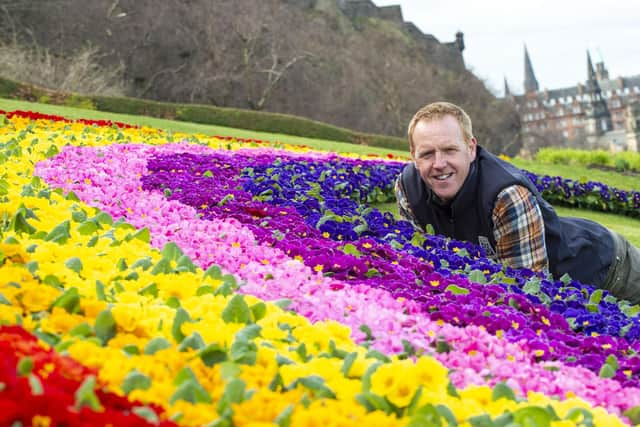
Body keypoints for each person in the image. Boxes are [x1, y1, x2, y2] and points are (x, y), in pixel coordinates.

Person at [395, 101, 640, 304]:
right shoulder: (408, 189)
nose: (438, 163)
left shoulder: (506, 195)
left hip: (609, 266)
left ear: (471, 149)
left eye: (449, 150)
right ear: (414, 157)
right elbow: (423, 263)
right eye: (427, 153)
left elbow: (526, 293)